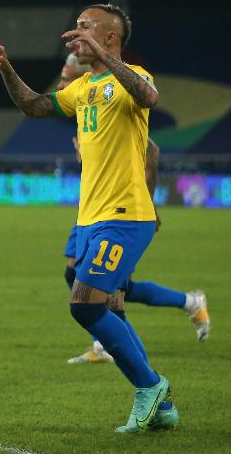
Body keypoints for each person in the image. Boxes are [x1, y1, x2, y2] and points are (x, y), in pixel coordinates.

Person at [0, 3, 175, 433]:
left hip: (124, 214)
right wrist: (5, 67)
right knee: (110, 307)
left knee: (85, 305)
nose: (74, 33)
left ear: (109, 39)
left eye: (84, 28)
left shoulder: (133, 78)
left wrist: (105, 60)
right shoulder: (83, 88)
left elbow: (150, 98)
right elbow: (34, 105)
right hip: (91, 217)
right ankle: (161, 404)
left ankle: (150, 386)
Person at [54, 55, 210, 364]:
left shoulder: (118, 108)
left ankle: (147, 371)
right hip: (91, 211)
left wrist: (148, 204)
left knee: (113, 296)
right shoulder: (86, 114)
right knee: (77, 275)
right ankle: (185, 305)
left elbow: (151, 152)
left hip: (121, 213)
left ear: (87, 78)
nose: (61, 86)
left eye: (66, 79)